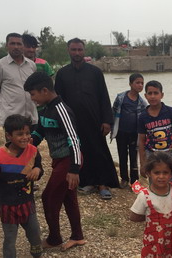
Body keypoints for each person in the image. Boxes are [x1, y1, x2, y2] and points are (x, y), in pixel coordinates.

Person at [25, 72, 86, 251]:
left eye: (33, 94)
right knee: (68, 198)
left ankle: (54, 239)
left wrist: (74, 169)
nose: (32, 98)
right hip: (59, 160)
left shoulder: (61, 109)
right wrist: (30, 143)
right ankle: (77, 236)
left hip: (69, 160)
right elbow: (41, 131)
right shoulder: (45, 109)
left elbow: (74, 139)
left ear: (45, 90)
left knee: (48, 197)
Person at [54, 37, 118, 199]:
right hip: (72, 122)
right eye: (74, 50)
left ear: (84, 51)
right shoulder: (62, 74)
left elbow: (104, 96)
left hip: (95, 120)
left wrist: (107, 121)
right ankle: (87, 181)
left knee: (99, 150)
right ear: (68, 51)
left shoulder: (95, 72)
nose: (77, 53)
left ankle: (103, 184)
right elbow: (58, 100)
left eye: (80, 49)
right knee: (79, 151)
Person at [0, 114, 44, 258]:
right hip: (7, 205)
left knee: (35, 234)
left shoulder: (33, 151)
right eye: (20, 134)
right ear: (8, 136)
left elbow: (39, 167)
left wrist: (37, 170)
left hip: (27, 202)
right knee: (9, 238)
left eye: (27, 133)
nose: (25, 137)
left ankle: (37, 253)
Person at [130, 151, 172, 257]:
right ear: (149, 173)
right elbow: (134, 216)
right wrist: (151, 217)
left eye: (165, 172)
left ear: (171, 173)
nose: (161, 176)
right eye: (157, 173)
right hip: (153, 243)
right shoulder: (145, 196)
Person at [137, 80, 172, 181]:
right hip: (152, 155)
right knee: (155, 182)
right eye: (150, 93)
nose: (153, 96)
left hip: (170, 153)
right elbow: (141, 141)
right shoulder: (143, 117)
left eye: (156, 93)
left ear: (162, 95)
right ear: (145, 95)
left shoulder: (170, 112)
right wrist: (142, 164)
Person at [0, 32, 37, 126]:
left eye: (19, 44)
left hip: (30, 116)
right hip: (11, 117)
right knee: (12, 141)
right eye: (12, 43)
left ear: (23, 46)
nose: (16, 47)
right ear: (6, 45)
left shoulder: (31, 65)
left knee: (32, 140)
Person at [111, 73, 148, 189]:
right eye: (137, 82)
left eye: (142, 83)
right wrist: (111, 127)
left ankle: (135, 181)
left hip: (134, 134)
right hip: (121, 132)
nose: (140, 85)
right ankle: (124, 179)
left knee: (133, 158)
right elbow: (113, 112)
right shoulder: (121, 98)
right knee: (122, 156)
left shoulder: (142, 103)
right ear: (130, 84)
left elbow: (144, 121)